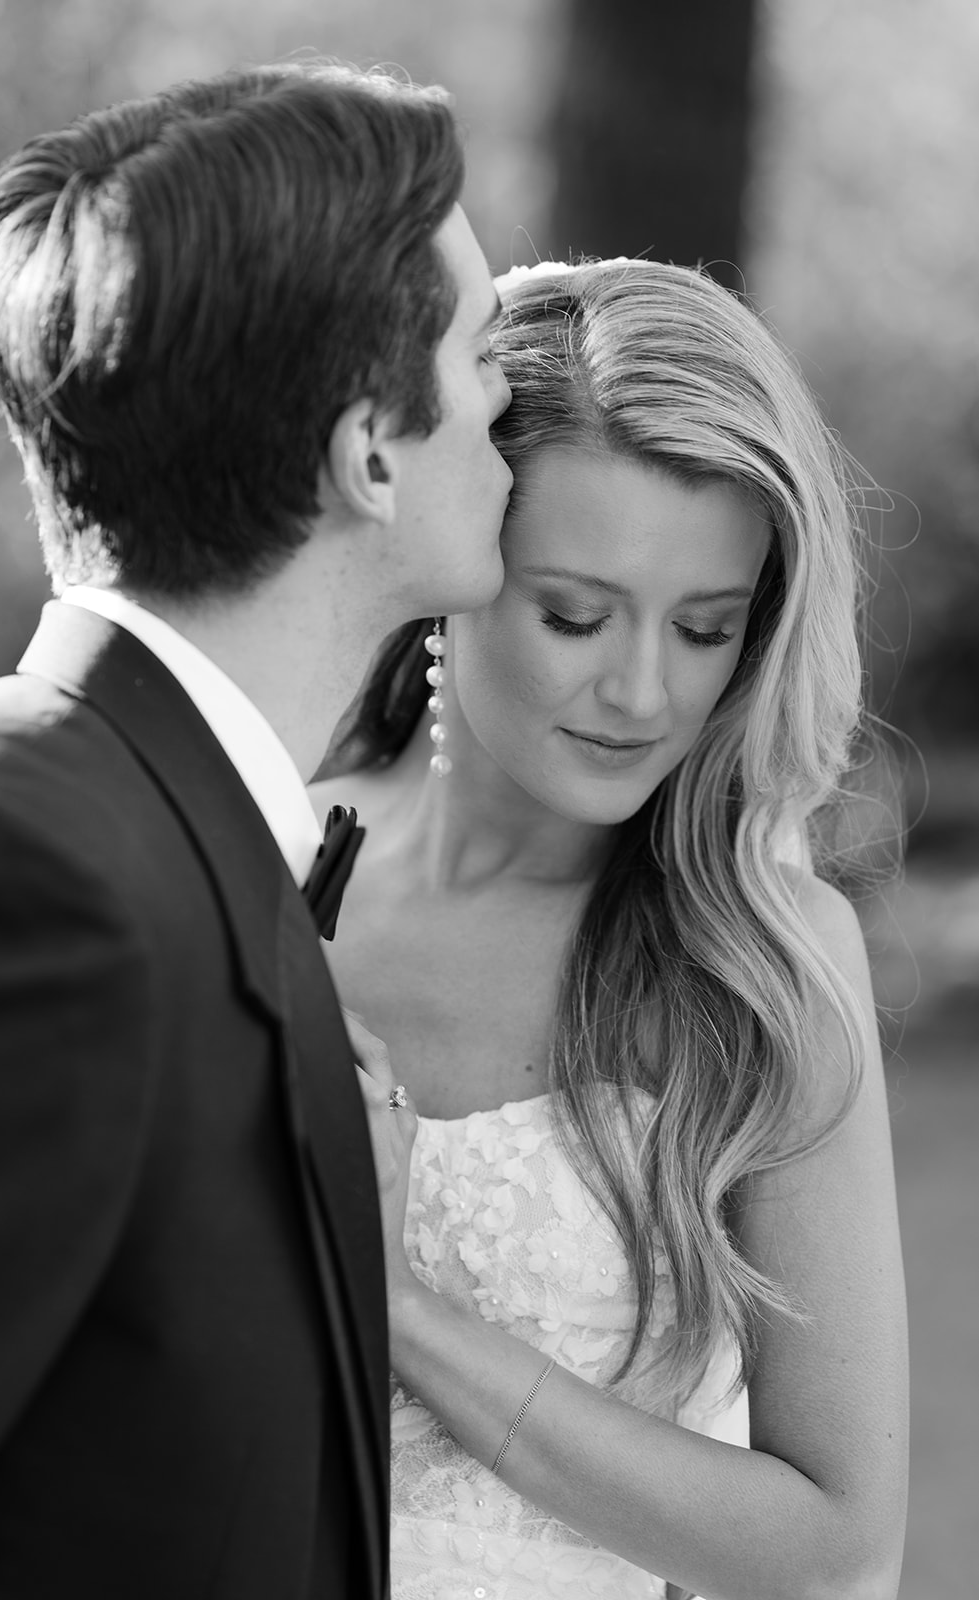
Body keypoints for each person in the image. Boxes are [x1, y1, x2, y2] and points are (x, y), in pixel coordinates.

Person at [0, 62, 512, 1599]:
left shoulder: (183, 837)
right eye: (479, 342)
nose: (511, 393)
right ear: (370, 450)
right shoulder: (33, 883)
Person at [312, 258, 910, 1600]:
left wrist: (402, 1319)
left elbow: (837, 1555)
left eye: (704, 629)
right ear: (451, 561)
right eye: (573, 614)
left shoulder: (758, 957)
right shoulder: (262, 864)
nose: (640, 692)